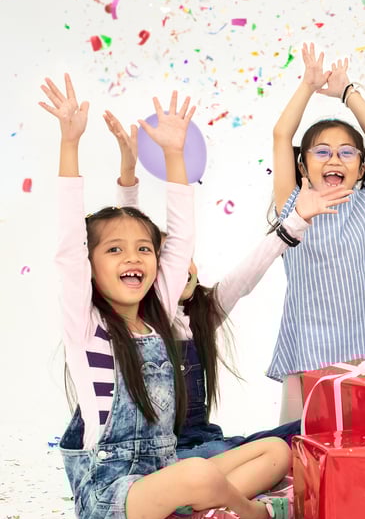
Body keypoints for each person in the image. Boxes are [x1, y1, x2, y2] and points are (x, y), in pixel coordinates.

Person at [46, 74, 292, 519]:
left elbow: (179, 242)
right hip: (111, 497)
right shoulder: (89, 329)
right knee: (199, 472)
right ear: (90, 267)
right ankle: (258, 513)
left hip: (165, 473)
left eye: (142, 249)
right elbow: (67, 246)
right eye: (114, 250)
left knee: (276, 451)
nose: (132, 258)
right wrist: (70, 143)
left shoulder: (160, 314)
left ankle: (186, 516)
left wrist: (176, 158)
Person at [103, 110, 351, 459]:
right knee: (221, 461)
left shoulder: (204, 312)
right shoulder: (143, 318)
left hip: (209, 443)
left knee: (312, 430)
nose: (179, 269)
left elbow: (250, 271)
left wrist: (296, 220)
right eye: (166, 262)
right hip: (164, 454)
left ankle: (242, 473)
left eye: (181, 257)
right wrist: (128, 174)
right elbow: (128, 238)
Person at [268, 44, 365, 423]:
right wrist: (307, 86)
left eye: (346, 153)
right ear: (303, 166)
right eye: (321, 152)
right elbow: (280, 134)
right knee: (306, 443)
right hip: (312, 349)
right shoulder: (293, 206)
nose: (335, 159)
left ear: (361, 165)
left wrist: (346, 92)